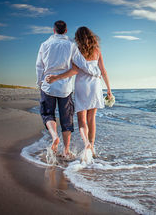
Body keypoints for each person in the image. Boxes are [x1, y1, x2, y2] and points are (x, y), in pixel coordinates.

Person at [36, 21, 101, 160]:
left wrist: (39, 82)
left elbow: (39, 66)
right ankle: (66, 151)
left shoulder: (44, 45)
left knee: (48, 114)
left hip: (48, 86)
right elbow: (81, 63)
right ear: (65, 30)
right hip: (65, 88)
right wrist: (95, 72)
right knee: (67, 119)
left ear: (54, 30)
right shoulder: (71, 45)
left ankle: (54, 136)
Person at [46, 26, 112, 157]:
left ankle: (86, 142)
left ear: (78, 38)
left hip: (82, 86)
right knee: (92, 119)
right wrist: (109, 90)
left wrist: (56, 77)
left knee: (82, 120)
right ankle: (91, 147)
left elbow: (74, 71)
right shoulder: (97, 51)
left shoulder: (76, 51)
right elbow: (103, 71)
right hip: (95, 85)